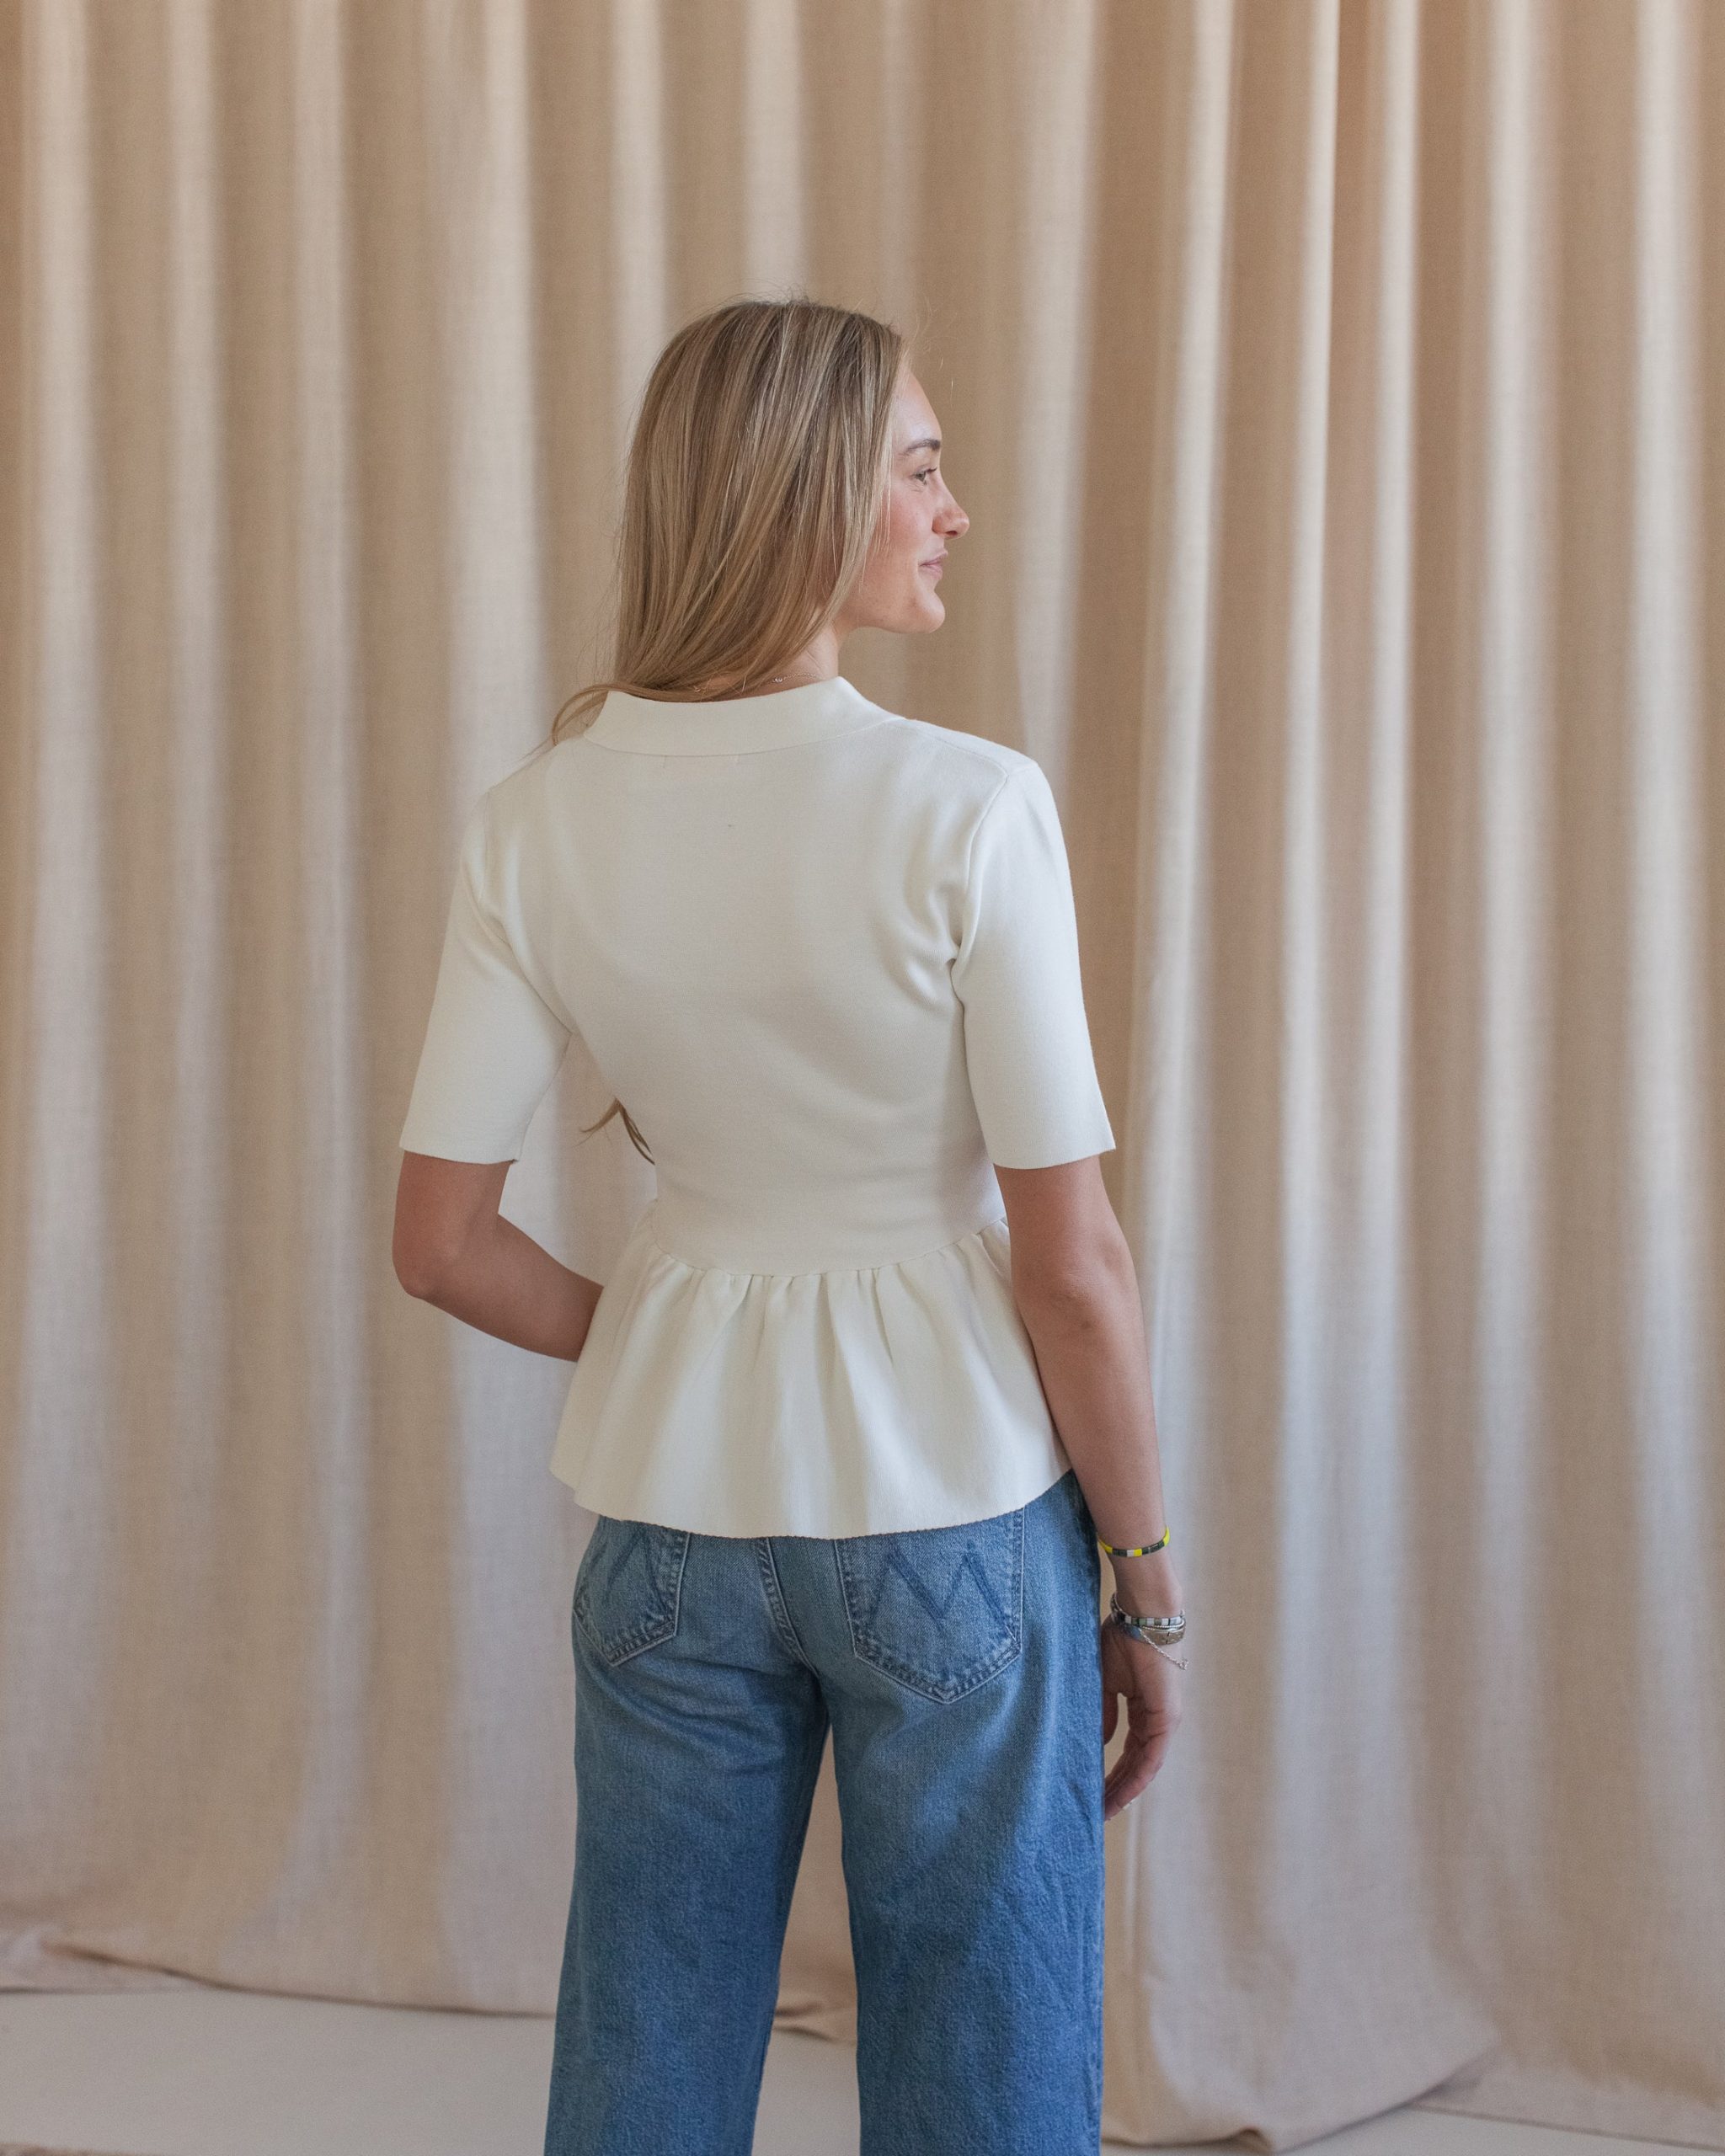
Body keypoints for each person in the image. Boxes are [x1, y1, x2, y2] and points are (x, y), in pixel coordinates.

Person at [392, 296, 1183, 2156]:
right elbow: (1074, 1268)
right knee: (983, 2065)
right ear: (810, 496)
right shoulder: (968, 806)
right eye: (919, 468)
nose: (953, 510)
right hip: (954, 1506)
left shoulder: (535, 820)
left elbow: (442, 1243)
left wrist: (678, 1331)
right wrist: (1144, 1578)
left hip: (668, 1520)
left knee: (647, 2052)